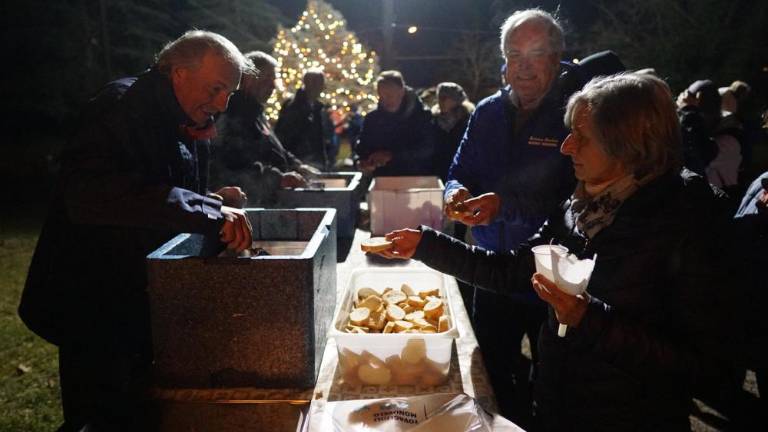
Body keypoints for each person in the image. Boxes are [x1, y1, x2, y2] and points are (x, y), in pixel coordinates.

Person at [373, 73, 734, 431]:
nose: (566, 147)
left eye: (582, 137)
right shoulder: (582, 205)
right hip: (558, 408)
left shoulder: (689, 221)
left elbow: (704, 367)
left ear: (627, 144)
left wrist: (588, 319)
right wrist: (426, 245)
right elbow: (512, 270)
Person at [18, 30, 254, 431]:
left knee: (139, 410)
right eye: (216, 89)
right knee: (100, 415)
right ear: (179, 72)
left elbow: (157, 190)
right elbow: (93, 195)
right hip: (93, 299)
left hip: (135, 295)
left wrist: (212, 198)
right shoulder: (120, 106)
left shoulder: (179, 116)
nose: (221, 103)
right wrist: (206, 209)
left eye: (228, 94)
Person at [441, 8, 623, 422]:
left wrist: (503, 204)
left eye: (536, 54)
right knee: (490, 372)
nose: (523, 67)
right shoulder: (486, 111)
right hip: (490, 271)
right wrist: (457, 193)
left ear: (557, 59)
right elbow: (458, 169)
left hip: (555, 278)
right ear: (503, 61)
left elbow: (574, 198)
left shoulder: (576, 114)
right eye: (514, 54)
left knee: (554, 382)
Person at [211, 51, 320, 206]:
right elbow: (234, 164)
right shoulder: (234, 112)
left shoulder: (256, 112)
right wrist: (279, 178)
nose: (273, 85)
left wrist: (296, 165)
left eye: (274, 79)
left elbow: (274, 147)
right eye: (268, 78)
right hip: (246, 204)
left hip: (268, 198)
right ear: (248, 78)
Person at [354, 70, 435, 176]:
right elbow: (362, 147)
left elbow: (426, 149)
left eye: (389, 95)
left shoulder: (422, 116)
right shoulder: (372, 119)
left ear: (401, 92)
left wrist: (392, 155)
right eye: (381, 96)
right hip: (382, 179)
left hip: (414, 178)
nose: (385, 100)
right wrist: (362, 161)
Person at [275, 68, 332, 170]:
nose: (322, 88)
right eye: (319, 84)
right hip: (299, 164)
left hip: (314, 163)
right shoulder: (293, 107)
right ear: (308, 83)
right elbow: (286, 137)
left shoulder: (317, 107)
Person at [431, 82, 475, 182]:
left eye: (445, 98)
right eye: (439, 97)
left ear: (456, 100)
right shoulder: (433, 119)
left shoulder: (468, 120)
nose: (441, 101)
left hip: (463, 173)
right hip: (438, 173)